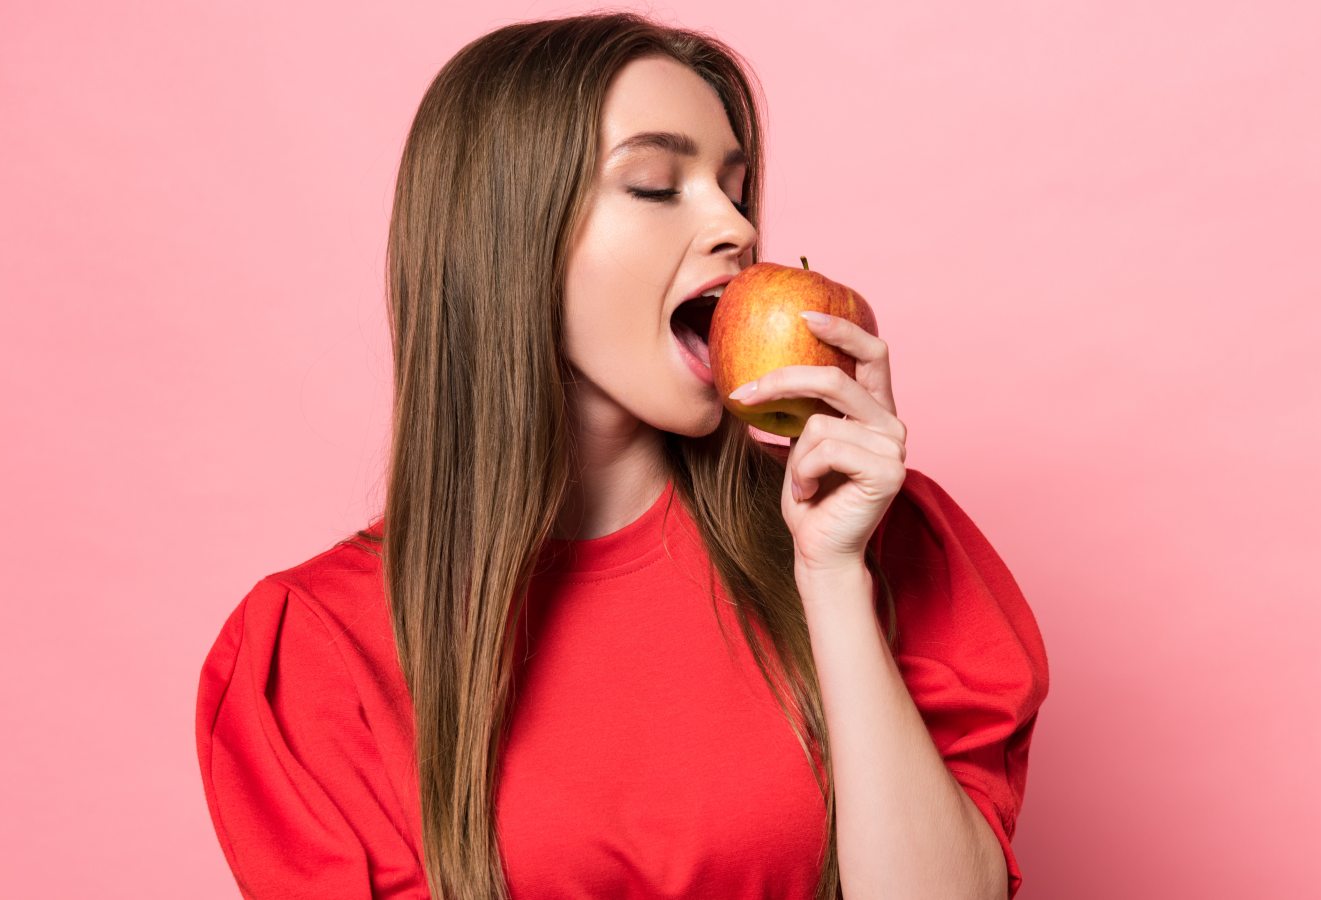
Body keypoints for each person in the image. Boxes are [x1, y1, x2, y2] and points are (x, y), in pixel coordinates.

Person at [195, 11, 1049, 900]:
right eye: (653, 184)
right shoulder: (314, 652)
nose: (735, 227)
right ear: (507, 241)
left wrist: (834, 581)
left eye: (736, 189)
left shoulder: (878, 544)